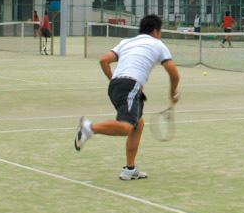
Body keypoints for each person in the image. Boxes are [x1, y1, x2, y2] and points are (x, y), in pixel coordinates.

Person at [75, 14, 181, 180]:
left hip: (116, 86)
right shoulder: (158, 44)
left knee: (138, 124)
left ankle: (129, 169)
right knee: (126, 126)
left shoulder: (126, 42)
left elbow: (104, 60)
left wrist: (115, 80)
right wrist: (173, 94)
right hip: (130, 86)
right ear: (155, 31)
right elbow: (174, 73)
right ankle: (89, 128)